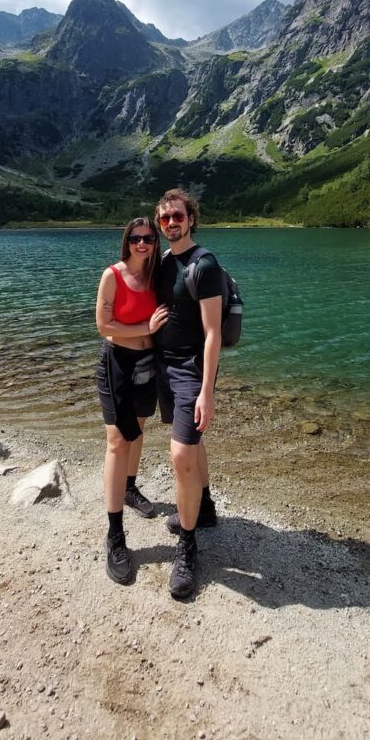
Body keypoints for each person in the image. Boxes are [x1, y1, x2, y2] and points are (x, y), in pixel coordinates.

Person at [153, 188, 223, 599]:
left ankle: (188, 548)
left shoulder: (204, 264)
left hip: (191, 370)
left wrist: (207, 391)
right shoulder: (164, 262)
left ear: (190, 218)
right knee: (191, 443)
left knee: (180, 455)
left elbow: (213, 333)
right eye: (164, 219)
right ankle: (207, 506)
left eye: (177, 216)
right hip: (164, 365)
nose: (170, 224)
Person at [95, 217, 169, 585]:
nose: (143, 244)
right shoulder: (113, 275)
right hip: (117, 364)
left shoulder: (156, 275)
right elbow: (104, 326)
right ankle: (115, 535)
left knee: (138, 430)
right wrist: (146, 329)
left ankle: (128, 487)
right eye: (136, 238)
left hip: (148, 363)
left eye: (149, 239)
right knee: (117, 440)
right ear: (127, 241)